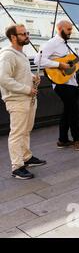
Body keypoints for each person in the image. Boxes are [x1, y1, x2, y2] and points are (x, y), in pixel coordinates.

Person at [0, 24, 47, 179]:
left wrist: (33, 77)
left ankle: (26, 157)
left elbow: (19, 74)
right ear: (13, 37)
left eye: (27, 33)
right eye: (23, 34)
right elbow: (4, 79)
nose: (27, 35)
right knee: (17, 133)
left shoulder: (21, 54)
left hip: (28, 99)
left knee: (26, 130)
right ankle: (17, 167)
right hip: (17, 100)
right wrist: (27, 89)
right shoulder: (7, 54)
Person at [37, 20, 79, 152]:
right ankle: (77, 140)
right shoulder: (52, 43)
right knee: (73, 111)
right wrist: (59, 65)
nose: (71, 32)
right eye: (69, 29)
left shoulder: (65, 44)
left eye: (71, 29)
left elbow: (72, 65)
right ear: (60, 28)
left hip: (71, 82)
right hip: (61, 83)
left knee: (67, 111)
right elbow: (38, 60)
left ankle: (62, 140)